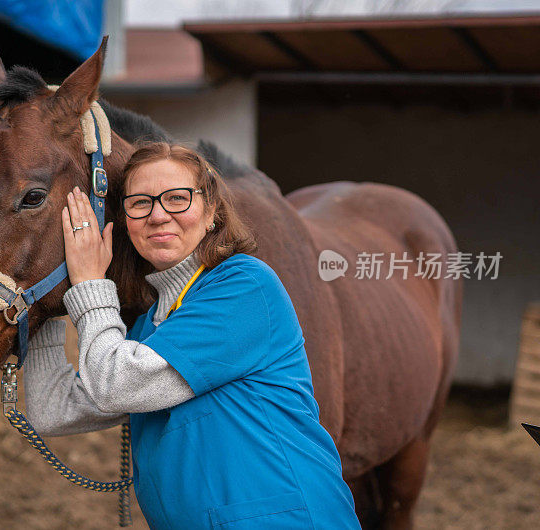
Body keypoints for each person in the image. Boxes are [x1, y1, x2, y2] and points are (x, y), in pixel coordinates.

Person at [23, 143, 360, 529]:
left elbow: (117, 385)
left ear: (211, 211)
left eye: (177, 198)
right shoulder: (149, 328)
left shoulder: (244, 286)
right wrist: (47, 291)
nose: (158, 215)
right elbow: (53, 409)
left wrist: (88, 282)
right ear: (126, 221)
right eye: (139, 203)